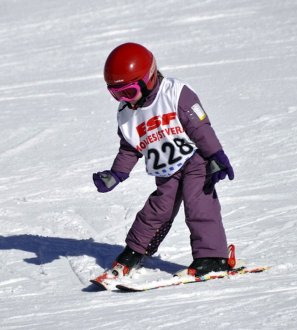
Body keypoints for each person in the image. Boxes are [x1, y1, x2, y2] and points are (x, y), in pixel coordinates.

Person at [93, 42, 234, 278]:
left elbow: (200, 127)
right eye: (116, 94)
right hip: (165, 167)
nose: (126, 100)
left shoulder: (175, 93)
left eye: (129, 92)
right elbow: (130, 148)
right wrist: (116, 174)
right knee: (158, 209)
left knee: (199, 204)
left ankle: (212, 257)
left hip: (195, 158)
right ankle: (135, 250)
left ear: (148, 78)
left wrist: (215, 155)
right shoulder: (127, 113)